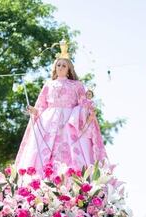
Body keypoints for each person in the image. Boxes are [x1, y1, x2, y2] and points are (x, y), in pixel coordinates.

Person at [14, 40, 108, 173]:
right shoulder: (48, 84)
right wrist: (34, 110)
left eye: (64, 65)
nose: (61, 67)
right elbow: (41, 105)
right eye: (58, 65)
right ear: (54, 67)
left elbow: (82, 104)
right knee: (42, 150)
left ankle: (74, 175)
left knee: (73, 150)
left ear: (69, 69)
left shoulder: (77, 85)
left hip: (70, 121)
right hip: (48, 120)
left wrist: (88, 106)